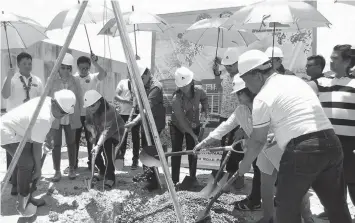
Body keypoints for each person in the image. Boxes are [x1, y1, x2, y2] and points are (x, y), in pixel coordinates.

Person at [236, 49, 351, 223]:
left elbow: (257, 140)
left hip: (302, 151)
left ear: (257, 75)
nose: (247, 86)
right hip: (331, 144)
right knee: (336, 206)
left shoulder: (262, 98)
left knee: (286, 208)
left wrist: (244, 166)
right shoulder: (295, 81)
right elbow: (299, 116)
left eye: (245, 80)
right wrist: (279, 136)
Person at [194, 75, 314, 222]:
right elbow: (224, 127)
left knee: (295, 188)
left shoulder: (267, 105)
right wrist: (203, 143)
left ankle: (308, 219)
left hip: (282, 151)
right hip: (263, 152)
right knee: (266, 188)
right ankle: (269, 217)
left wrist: (272, 138)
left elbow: (287, 124)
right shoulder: (240, 111)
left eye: (239, 93)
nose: (237, 96)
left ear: (248, 91)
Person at [1, 89, 76, 216]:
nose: (63, 115)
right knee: (27, 164)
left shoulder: (47, 102)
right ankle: (22, 201)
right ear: (54, 102)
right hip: (8, 132)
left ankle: (27, 196)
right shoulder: (43, 117)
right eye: (62, 111)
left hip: (20, 130)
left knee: (30, 163)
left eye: (65, 113)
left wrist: (46, 138)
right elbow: (37, 146)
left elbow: (38, 132)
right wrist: (38, 169)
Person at [308, 44, 355, 220]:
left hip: (351, 144)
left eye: (335, 58)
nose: (331, 61)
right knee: (333, 184)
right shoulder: (323, 83)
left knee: (353, 183)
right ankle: (336, 213)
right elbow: (303, 89)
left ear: (347, 61)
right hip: (328, 142)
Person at [1, 52, 44, 196]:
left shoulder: (37, 80)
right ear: (18, 64)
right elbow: (5, 95)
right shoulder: (12, 79)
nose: (27, 66)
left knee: (29, 153)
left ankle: (28, 183)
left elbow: (41, 100)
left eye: (29, 63)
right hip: (14, 123)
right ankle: (14, 183)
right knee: (14, 154)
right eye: (24, 63)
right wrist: (8, 75)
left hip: (31, 122)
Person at [125, 63, 166, 191]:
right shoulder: (142, 84)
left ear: (148, 74)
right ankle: (148, 174)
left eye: (142, 78)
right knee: (145, 147)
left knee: (151, 150)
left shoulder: (156, 87)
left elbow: (147, 109)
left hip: (155, 122)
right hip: (145, 122)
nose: (140, 81)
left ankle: (153, 182)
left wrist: (134, 122)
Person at [168, 66, 209, 189]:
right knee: (176, 151)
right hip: (177, 125)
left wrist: (206, 110)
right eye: (181, 86)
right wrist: (193, 135)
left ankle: (192, 177)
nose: (183, 88)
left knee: (193, 151)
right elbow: (182, 121)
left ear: (191, 82)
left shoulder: (199, 91)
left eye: (185, 85)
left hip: (194, 123)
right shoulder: (176, 99)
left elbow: (204, 99)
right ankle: (174, 180)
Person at [215, 47, 247, 189]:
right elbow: (219, 85)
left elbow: (246, 104)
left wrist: (242, 126)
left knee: (237, 150)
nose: (228, 68)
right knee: (224, 147)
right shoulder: (225, 77)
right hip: (224, 117)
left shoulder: (243, 78)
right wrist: (216, 73)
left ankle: (237, 177)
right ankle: (223, 177)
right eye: (226, 65)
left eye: (231, 65)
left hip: (238, 119)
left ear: (238, 63)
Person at [48, 53, 82, 182]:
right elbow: (47, 97)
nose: (66, 70)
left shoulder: (75, 80)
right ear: (58, 67)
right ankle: (57, 171)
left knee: (71, 143)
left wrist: (82, 114)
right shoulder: (51, 79)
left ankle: (72, 169)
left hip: (71, 116)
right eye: (63, 67)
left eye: (68, 68)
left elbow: (79, 98)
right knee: (56, 144)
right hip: (56, 116)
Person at [83, 90, 125, 189]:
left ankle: (110, 177)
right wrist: (91, 129)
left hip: (114, 134)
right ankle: (102, 171)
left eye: (92, 106)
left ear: (99, 102)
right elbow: (87, 122)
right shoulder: (90, 109)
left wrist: (98, 145)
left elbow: (107, 132)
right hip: (99, 132)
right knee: (93, 153)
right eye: (89, 106)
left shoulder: (110, 111)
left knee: (107, 150)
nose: (90, 108)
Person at [73, 54, 107, 171]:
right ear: (77, 67)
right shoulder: (74, 78)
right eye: (82, 68)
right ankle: (74, 163)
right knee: (75, 139)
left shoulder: (93, 77)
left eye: (87, 68)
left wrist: (96, 63)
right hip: (77, 113)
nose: (84, 70)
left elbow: (104, 74)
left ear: (89, 67)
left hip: (91, 114)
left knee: (91, 138)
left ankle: (91, 162)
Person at [114, 75, 140, 169]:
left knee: (135, 138)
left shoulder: (139, 83)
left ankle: (135, 160)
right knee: (122, 138)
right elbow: (116, 96)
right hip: (123, 113)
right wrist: (126, 101)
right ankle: (120, 160)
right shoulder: (122, 82)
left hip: (135, 114)